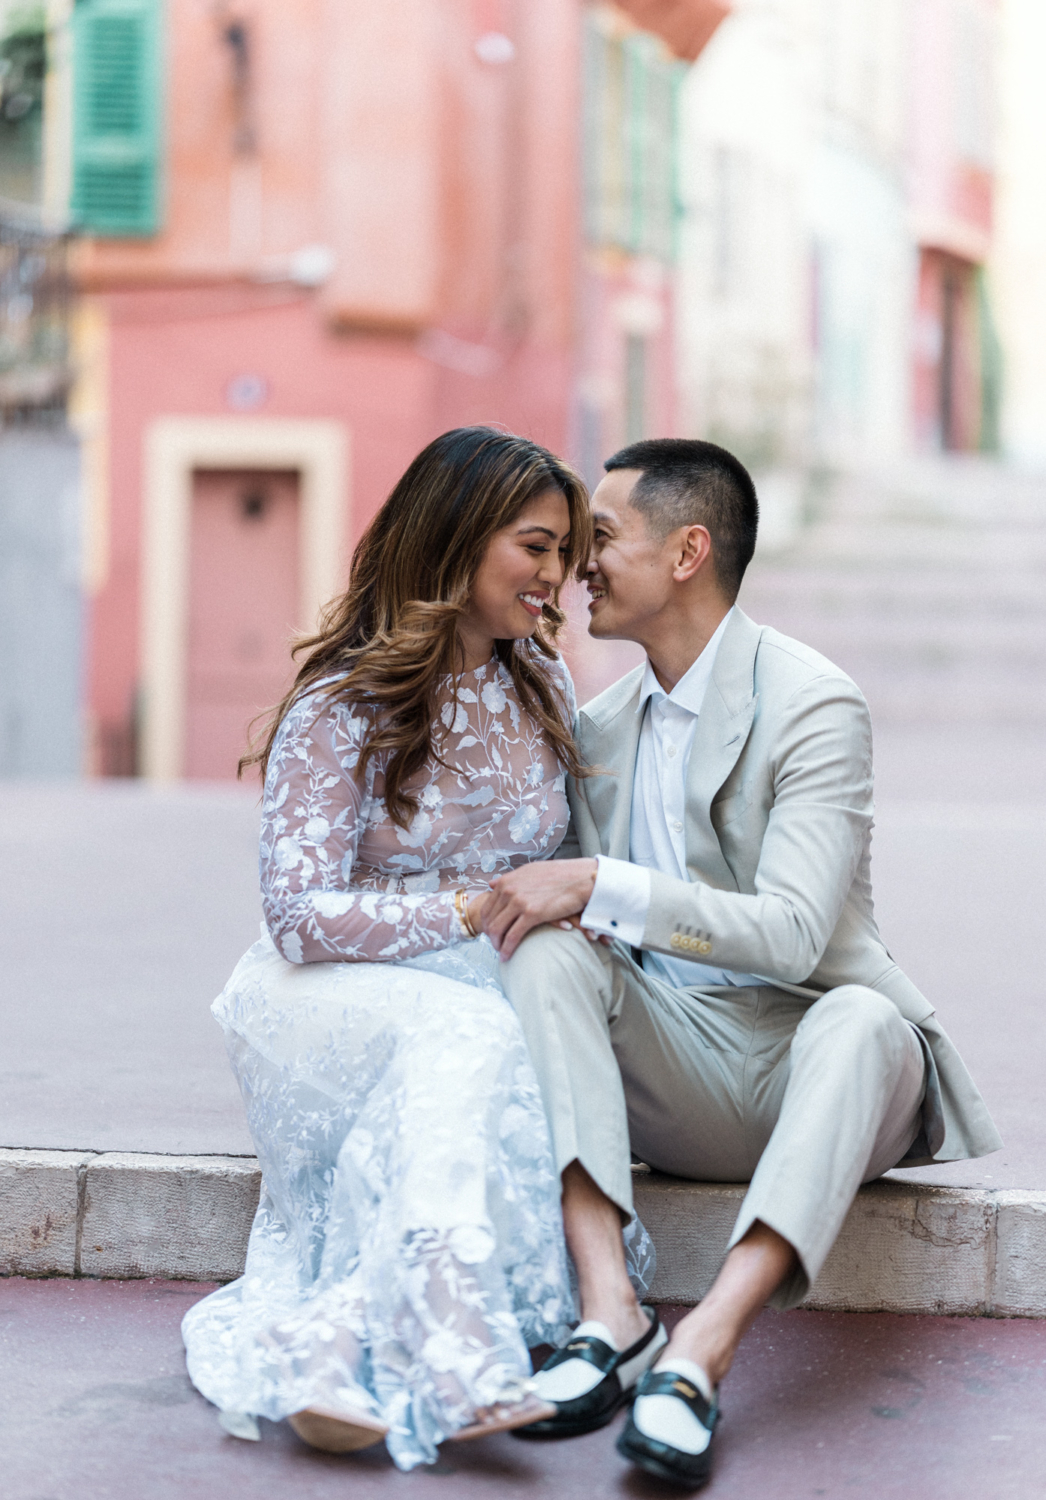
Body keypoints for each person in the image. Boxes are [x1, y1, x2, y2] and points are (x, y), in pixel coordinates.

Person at [479, 438, 1001, 1490]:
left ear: (686, 552)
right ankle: (609, 1318)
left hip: (822, 1060)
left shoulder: (812, 701)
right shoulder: (595, 729)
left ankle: (698, 1355)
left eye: (603, 538)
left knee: (860, 1019)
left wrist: (599, 884)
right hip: (681, 1068)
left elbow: (794, 933)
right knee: (542, 958)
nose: (580, 562)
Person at [181, 426, 653, 1472]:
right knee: (464, 1036)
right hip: (325, 994)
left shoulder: (540, 685)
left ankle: (335, 1339)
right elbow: (298, 917)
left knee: (485, 1047)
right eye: (534, 548)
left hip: (483, 999)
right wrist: (472, 909)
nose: (554, 579)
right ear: (454, 536)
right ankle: (453, 1363)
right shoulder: (341, 702)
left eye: (565, 555)